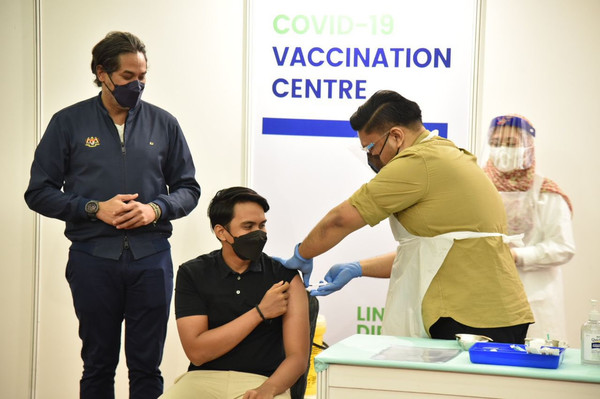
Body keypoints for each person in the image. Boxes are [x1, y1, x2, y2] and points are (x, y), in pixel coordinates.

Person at [276, 90, 534, 344]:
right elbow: (430, 252)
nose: (371, 158)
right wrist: (358, 268)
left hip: (469, 318)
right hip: (495, 313)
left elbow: (340, 220)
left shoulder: (418, 160)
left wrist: (303, 255)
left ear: (396, 136)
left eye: (371, 148)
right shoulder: (446, 153)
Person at [24, 31, 201, 398]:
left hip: (151, 262)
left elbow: (189, 189)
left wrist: (156, 209)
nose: (138, 85)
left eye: (142, 77)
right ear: (102, 73)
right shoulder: (68, 123)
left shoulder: (164, 124)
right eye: (128, 77)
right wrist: (92, 208)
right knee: (98, 366)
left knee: (146, 368)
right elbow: (38, 192)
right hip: (92, 261)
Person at [160, 187, 309, 399]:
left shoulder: (285, 276)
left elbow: (298, 358)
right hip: (202, 380)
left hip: (262, 381)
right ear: (222, 232)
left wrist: (268, 389)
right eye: (248, 226)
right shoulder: (192, 273)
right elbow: (197, 352)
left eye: (262, 225)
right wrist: (260, 312)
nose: (259, 233)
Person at [483, 114, 575, 341]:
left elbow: (563, 247)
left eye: (510, 143)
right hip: (487, 297)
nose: (502, 150)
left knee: (534, 366)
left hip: (536, 298)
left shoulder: (546, 192)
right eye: (495, 143)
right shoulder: (479, 186)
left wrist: (517, 255)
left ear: (528, 146)